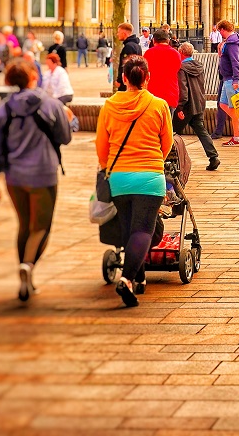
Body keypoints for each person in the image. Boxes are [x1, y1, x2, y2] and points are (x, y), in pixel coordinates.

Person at [0, 59, 74, 303]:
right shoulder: (51, 104)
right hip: (43, 173)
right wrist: (68, 119)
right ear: (34, 77)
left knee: (24, 225)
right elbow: (65, 138)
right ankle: (28, 266)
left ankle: (26, 276)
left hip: (14, 176)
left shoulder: (3, 109)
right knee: (41, 227)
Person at [96, 55, 173, 307]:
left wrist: (110, 167)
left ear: (123, 78)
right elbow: (167, 142)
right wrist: (154, 163)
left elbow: (102, 147)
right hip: (149, 177)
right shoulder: (159, 105)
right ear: (148, 78)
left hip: (119, 178)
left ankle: (138, 277)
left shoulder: (109, 106)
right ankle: (127, 279)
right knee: (143, 230)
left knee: (129, 228)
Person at [174, 43, 219, 171]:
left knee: (172, 131)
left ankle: (171, 160)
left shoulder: (182, 68)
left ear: (181, 52)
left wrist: (180, 107)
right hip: (199, 103)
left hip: (187, 105)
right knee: (201, 130)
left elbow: (183, 90)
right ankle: (213, 157)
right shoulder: (198, 65)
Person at [215, 19, 239, 145]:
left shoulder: (232, 43)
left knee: (234, 107)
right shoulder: (234, 40)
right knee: (223, 104)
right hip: (228, 77)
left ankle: (237, 137)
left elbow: (235, 61)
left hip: (232, 78)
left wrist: (236, 79)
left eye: (220, 31)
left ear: (222, 29)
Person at [143, 28, 182, 109]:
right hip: (171, 94)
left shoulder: (148, 53)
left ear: (154, 41)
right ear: (168, 40)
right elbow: (177, 70)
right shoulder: (176, 54)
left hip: (153, 95)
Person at [115, 23, 141, 92]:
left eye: (119, 32)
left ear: (124, 33)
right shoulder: (137, 46)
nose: (117, 34)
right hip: (135, 80)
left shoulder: (128, 47)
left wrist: (119, 80)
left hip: (127, 81)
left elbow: (125, 65)